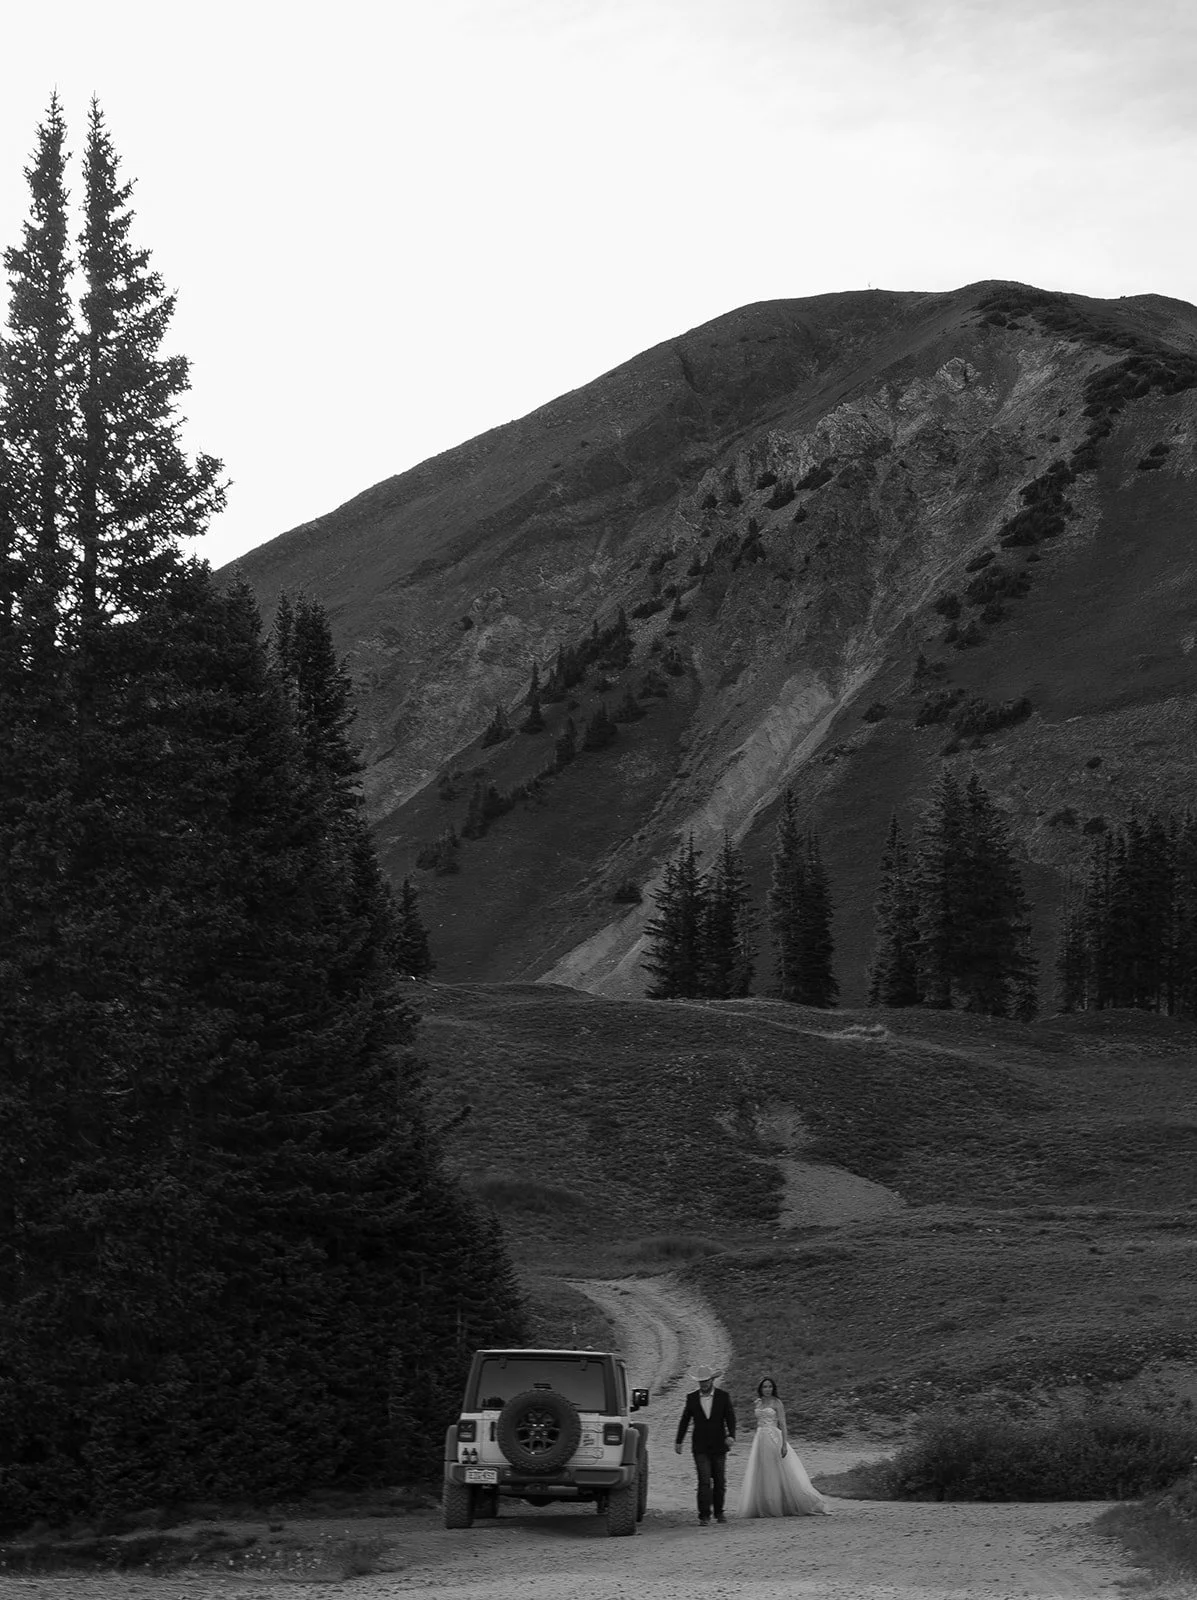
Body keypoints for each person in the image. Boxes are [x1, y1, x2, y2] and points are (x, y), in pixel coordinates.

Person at [737, 1375, 831, 1518]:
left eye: (770, 1387)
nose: (767, 1389)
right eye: (764, 1386)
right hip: (760, 1439)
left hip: (773, 1437)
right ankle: (766, 1503)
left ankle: (785, 1503)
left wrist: (784, 1444)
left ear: (773, 1388)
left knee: (778, 1471)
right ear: (760, 1388)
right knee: (762, 1471)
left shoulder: (777, 1403)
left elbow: (783, 1424)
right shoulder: (758, 1402)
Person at [675, 1364, 736, 1525]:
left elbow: (730, 1417)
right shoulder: (692, 1398)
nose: (704, 1384)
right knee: (704, 1480)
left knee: (720, 1480)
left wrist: (731, 1435)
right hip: (700, 1445)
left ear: (712, 1380)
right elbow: (685, 1419)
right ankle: (704, 1515)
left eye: (706, 1381)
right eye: (701, 1382)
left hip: (718, 1444)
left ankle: (719, 1512)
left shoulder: (723, 1396)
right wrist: (679, 1440)